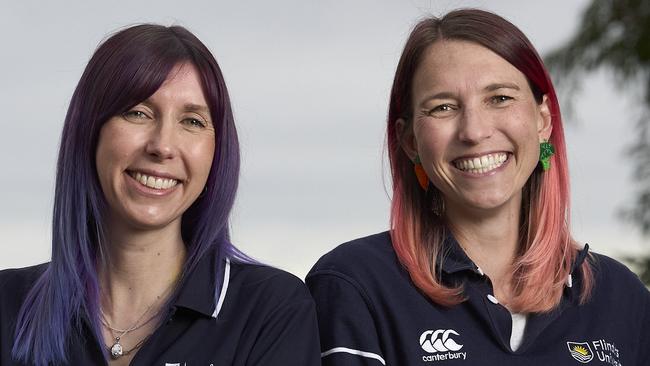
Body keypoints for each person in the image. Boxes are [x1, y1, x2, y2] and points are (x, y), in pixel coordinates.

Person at [307, 9, 650, 366]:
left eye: (499, 98)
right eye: (443, 107)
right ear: (410, 141)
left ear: (542, 120)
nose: (474, 131)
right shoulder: (355, 285)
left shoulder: (622, 298)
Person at [0, 24, 320, 366]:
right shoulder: (7, 305)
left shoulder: (268, 310)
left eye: (192, 121)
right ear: (89, 133)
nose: (163, 146)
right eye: (138, 112)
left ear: (216, 152)